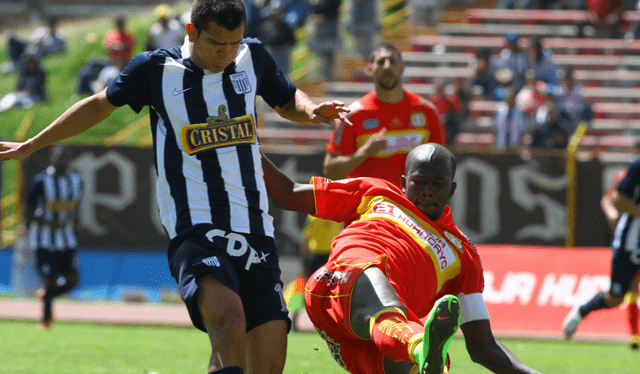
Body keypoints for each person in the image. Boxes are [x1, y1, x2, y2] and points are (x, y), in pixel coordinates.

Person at [0, 0, 350, 372]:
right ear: (191, 33)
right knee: (229, 323)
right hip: (196, 226)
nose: (227, 54)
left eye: (234, 43)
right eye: (217, 44)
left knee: (264, 363)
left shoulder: (253, 56)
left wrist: (310, 108)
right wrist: (31, 144)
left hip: (255, 228)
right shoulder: (156, 70)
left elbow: (286, 98)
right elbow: (99, 106)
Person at [261, 142, 543, 374]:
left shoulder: (464, 255)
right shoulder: (377, 193)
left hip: (371, 341)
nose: (428, 190)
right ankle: (421, 346)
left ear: (452, 189)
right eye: (420, 182)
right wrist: (246, 146)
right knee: (374, 276)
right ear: (403, 181)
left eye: (438, 183)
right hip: (339, 284)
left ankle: (422, 353)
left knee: (429, 368)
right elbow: (287, 195)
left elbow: (483, 347)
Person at [323, 43, 446, 183]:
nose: (387, 66)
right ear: (370, 69)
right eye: (381, 62)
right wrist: (365, 152)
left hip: (410, 204)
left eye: (392, 61)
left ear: (402, 68)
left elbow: (441, 166)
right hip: (369, 203)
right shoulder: (352, 115)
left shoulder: (427, 111)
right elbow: (330, 170)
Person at [563, 148, 640, 344]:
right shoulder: (636, 166)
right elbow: (616, 198)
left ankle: (635, 335)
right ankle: (582, 310)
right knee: (616, 297)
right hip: (631, 241)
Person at [23, 145, 83, 331]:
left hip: (66, 236)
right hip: (44, 238)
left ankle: (49, 295)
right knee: (49, 278)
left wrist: (75, 220)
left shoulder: (76, 180)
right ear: (52, 159)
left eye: (66, 157)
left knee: (72, 279)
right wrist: (47, 223)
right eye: (59, 157)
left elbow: (76, 205)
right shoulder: (41, 181)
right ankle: (45, 319)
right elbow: (28, 211)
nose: (62, 161)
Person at [599, 153, 640, 349]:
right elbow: (610, 199)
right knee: (629, 288)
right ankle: (634, 334)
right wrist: (613, 215)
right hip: (631, 240)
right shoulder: (628, 173)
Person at [283, 215, 342, 331]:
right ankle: (295, 321)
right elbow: (305, 239)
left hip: (328, 256)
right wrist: (304, 262)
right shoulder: (316, 217)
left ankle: (332, 323)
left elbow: (305, 240)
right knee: (306, 289)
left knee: (330, 290)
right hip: (316, 257)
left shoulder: (332, 217)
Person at [78, 15, 136, 96]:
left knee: (108, 77)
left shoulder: (129, 35)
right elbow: (105, 47)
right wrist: (114, 47)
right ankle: (83, 89)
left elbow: (131, 46)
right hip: (111, 60)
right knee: (91, 63)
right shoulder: (112, 34)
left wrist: (121, 46)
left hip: (123, 62)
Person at [2, 16, 67, 74]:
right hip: (30, 46)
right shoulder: (41, 31)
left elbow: (61, 50)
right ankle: (15, 62)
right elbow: (30, 40)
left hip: (39, 51)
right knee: (12, 39)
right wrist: (38, 40)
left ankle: (16, 64)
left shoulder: (59, 37)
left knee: (33, 51)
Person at [258, 0, 297, 75]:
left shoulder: (285, 25)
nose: (278, 13)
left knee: (283, 76)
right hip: (270, 53)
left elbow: (292, 40)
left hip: (283, 55)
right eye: (276, 11)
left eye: (279, 11)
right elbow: (264, 40)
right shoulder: (266, 25)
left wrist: (287, 45)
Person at [307, 0, 342, 81]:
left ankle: (329, 77)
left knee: (329, 53)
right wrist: (315, 15)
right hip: (317, 25)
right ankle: (317, 78)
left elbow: (335, 6)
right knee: (317, 54)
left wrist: (325, 16)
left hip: (330, 24)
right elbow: (311, 6)